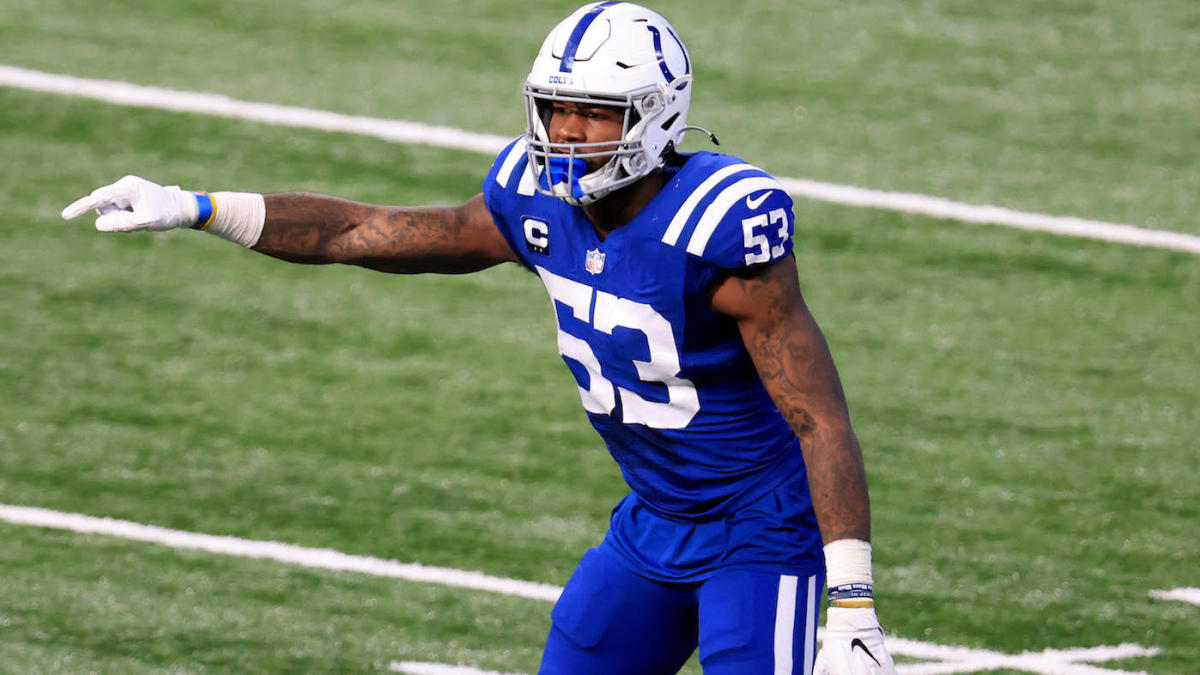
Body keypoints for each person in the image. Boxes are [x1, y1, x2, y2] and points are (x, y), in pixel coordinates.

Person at [62, 3, 896, 673]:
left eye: (594, 113)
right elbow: (362, 230)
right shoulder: (533, 201)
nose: (567, 131)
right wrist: (201, 206)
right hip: (652, 516)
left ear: (655, 115)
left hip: (758, 528)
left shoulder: (718, 226)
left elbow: (818, 418)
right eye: (556, 108)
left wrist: (853, 602)